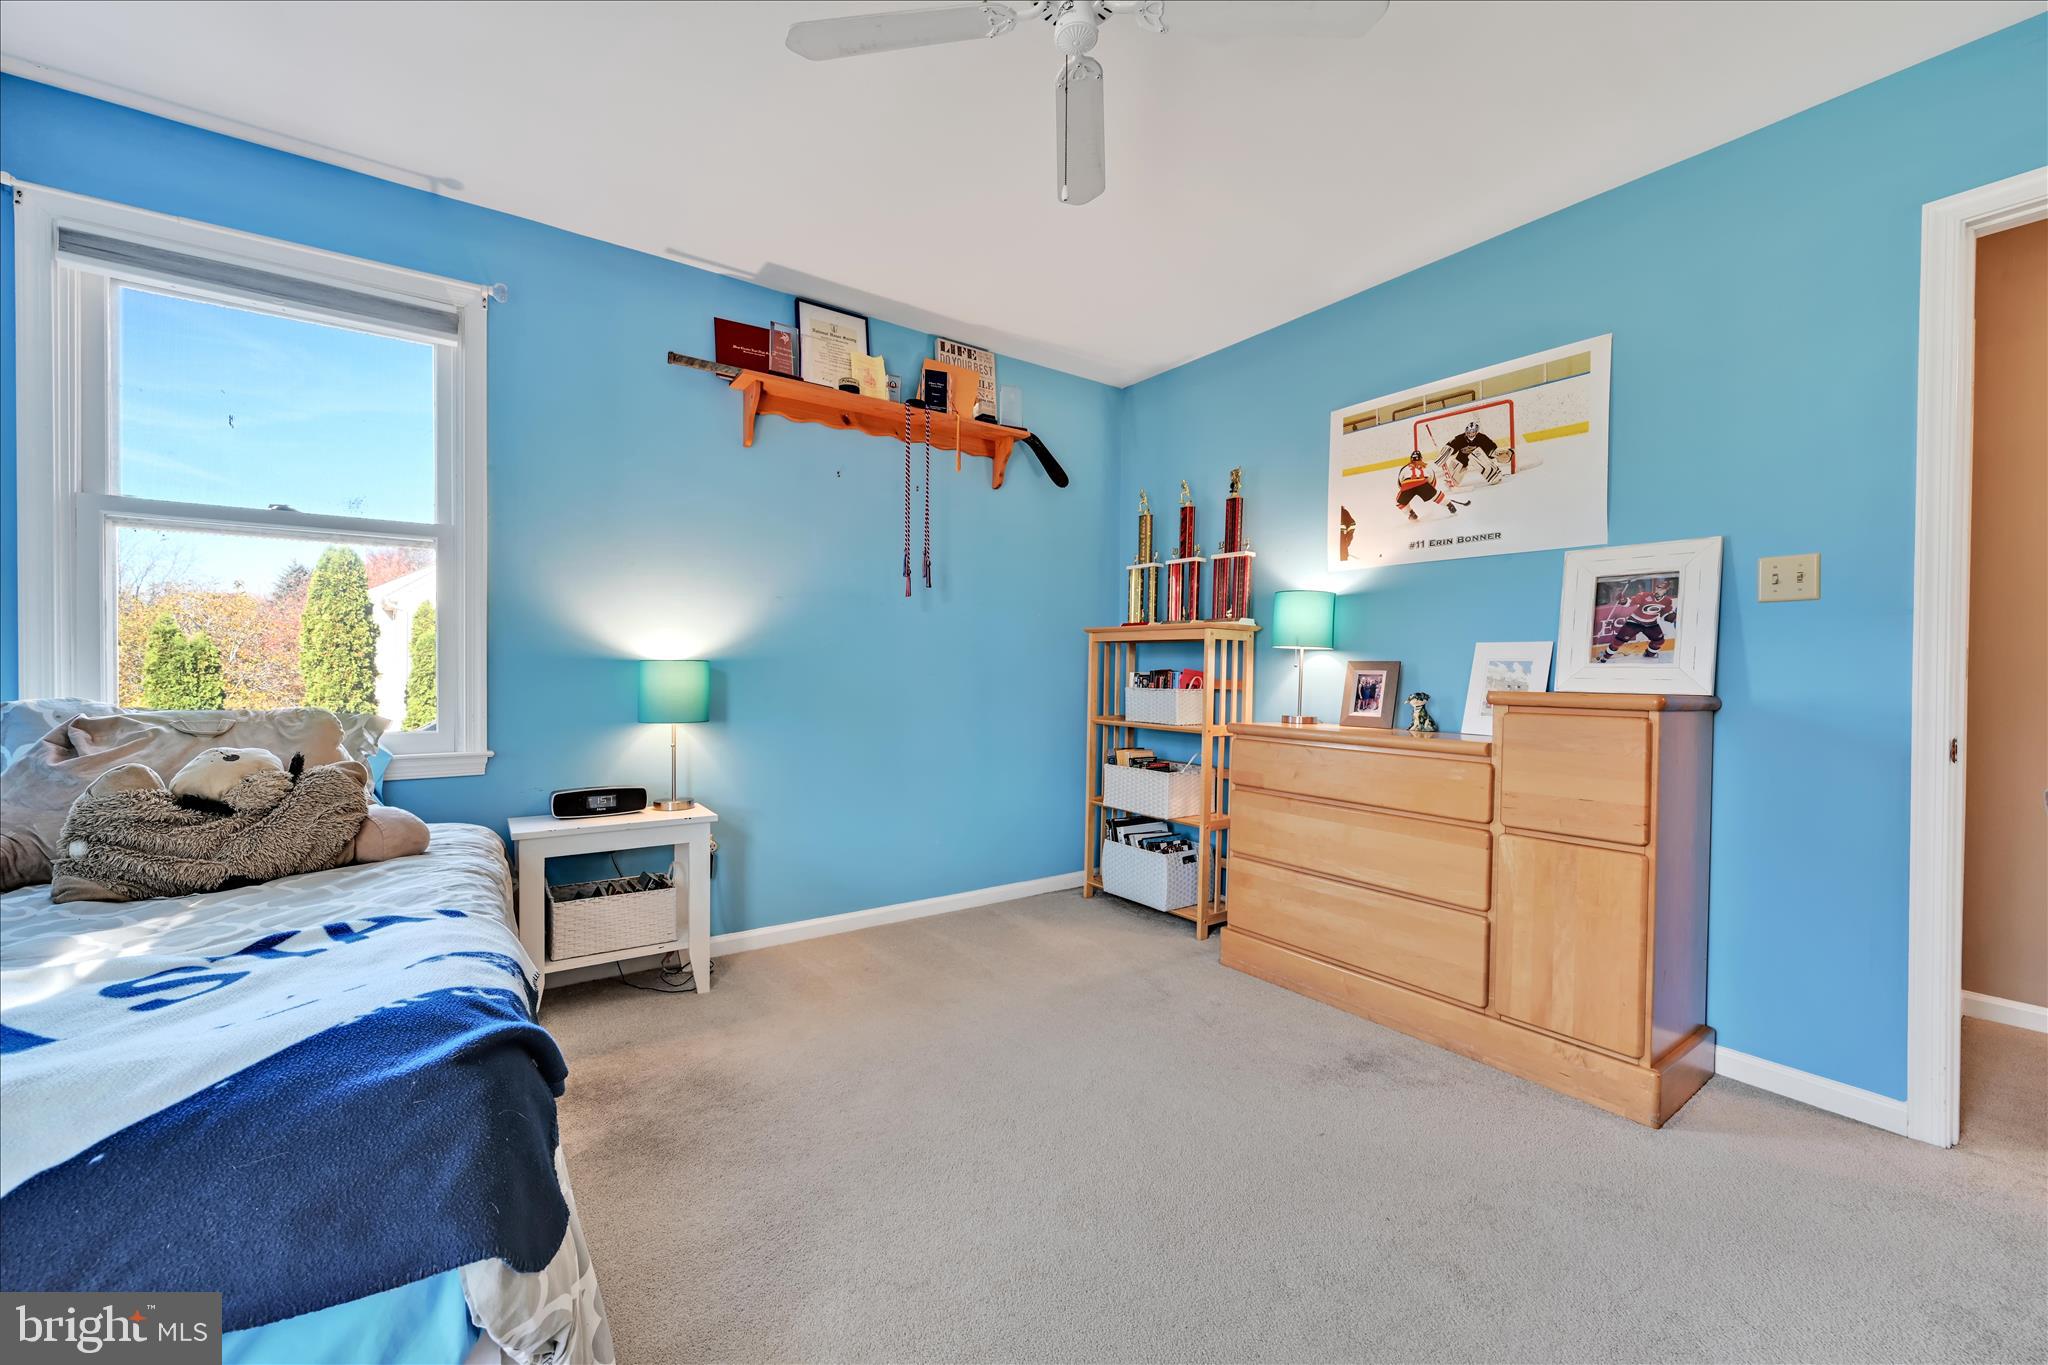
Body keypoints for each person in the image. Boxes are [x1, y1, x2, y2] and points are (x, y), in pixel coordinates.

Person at [1596, 577, 1678, 662]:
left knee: (1659, 641)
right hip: (1634, 623)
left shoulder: (1667, 601)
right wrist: (1623, 600)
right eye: (1657, 587)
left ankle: (1649, 654)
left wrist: (1671, 617)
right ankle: (1605, 657)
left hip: (1651, 624)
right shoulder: (1644, 595)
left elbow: (1664, 615)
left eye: (1661, 589)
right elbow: (1631, 602)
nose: (1658, 590)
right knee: (1618, 641)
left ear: (1666, 590)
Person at [1394, 452, 1463, 522]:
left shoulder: (1404, 468)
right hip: (1422, 483)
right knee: (1436, 496)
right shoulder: (1427, 466)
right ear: (1421, 458)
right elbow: (1433, 481)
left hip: (1407, 485)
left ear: (1411, 459)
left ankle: (1411, 514)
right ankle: (1449, 505)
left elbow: (1400, 483)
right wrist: (1430, 490)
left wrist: (1405, 490)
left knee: (1399, 502)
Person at [1439, 420, 1507, 487]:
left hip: (1479, 457)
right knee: (1456, 463)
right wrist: (1446, 451)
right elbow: (1452, 445)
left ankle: (1494, 475)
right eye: (1469, 432)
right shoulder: (1461, 438)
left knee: (1478, 456)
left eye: (1473, 432)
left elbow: (1491, 448)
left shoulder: (1482, 438)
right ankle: (1453, 480)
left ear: (1476, 432)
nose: (1470, 434)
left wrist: (1495, 454)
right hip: (1463, 457)